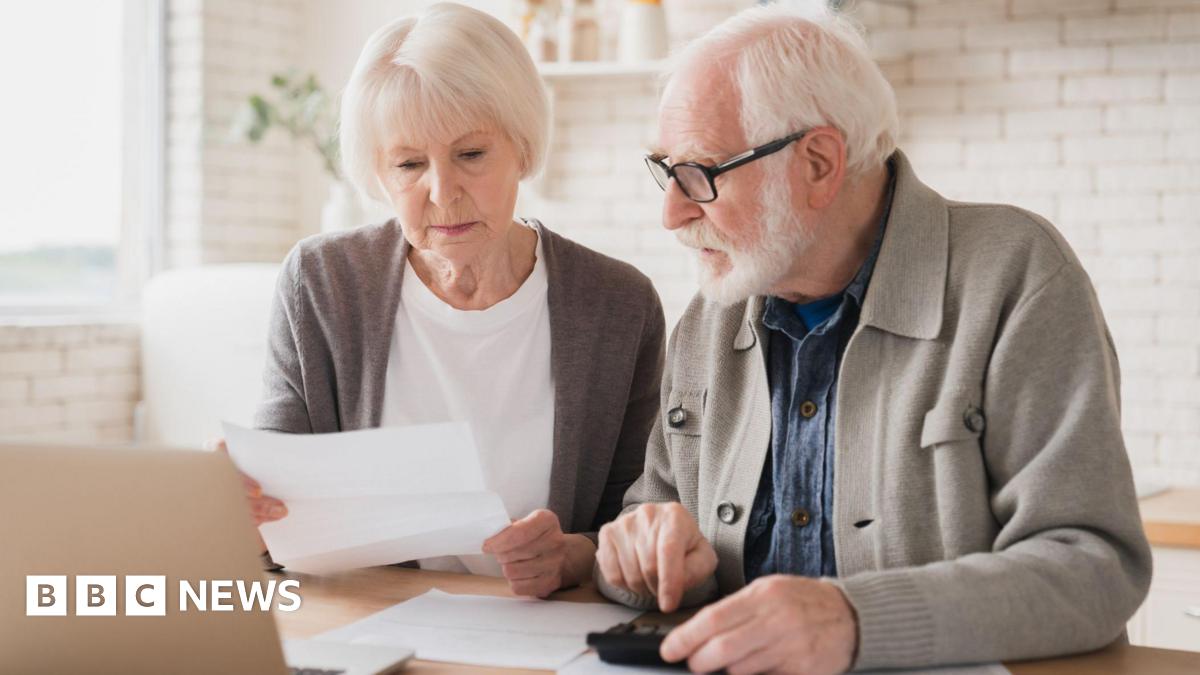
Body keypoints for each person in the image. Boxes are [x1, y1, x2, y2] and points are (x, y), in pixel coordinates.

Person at [593, 4, 1152, 673]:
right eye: (666, 170)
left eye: (701, 174)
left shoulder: (1015, 276)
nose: (672, 212)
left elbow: (1094, 567)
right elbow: (650, 523)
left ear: (820, 162)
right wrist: (639, 555)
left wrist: (855, 620)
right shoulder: (709, 316)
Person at [218, 2, 665, 599]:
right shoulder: (322, 284)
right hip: (367, 620)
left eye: (471, 155)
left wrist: (572, 556)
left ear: (523, 148)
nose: (442, 192)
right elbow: (277, 521)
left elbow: (638, 516)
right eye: (408, 164)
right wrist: (236, 503)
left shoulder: (618, 304)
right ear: (379, 175)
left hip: (542, 627)